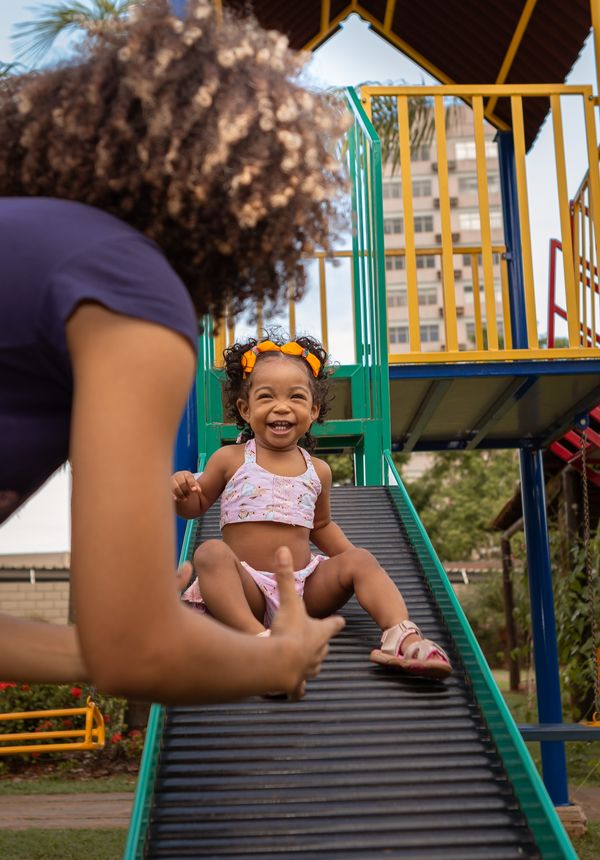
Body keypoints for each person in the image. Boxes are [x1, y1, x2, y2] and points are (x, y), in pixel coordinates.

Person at [0, 0, 350, 701]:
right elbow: (138, 654)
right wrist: (277, 661)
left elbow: (114, 647)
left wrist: (98, 646)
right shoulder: (127, 284)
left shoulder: (37, 249)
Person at [172, 335, 452, 678]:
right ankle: (259, 641)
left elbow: (321, 526)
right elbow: (196, 505)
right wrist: (184, 493)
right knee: (210, 554)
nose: (282, 407)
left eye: (296, 397)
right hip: (248, 590)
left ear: (313, 410)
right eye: (266, 397)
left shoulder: (318, 470)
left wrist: (357, 565)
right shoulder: (229, 459)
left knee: (361, 559)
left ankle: (403, 637)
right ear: (245, 409)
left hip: (303, 591)